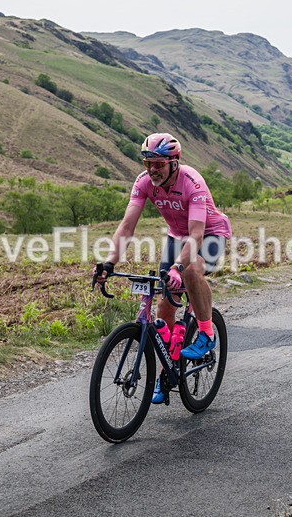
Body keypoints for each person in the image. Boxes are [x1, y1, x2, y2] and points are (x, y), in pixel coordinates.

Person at [94, 133, 232, 404]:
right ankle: (167, 371)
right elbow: (127, 226)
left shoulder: (192, 182)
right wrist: (109, 262)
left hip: (209, 233)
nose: (152, 170)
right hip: (176, 235)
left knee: (190, 271)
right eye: (148, 163)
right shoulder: (143, 182)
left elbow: (196, 235)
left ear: (174, 163)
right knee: (164, 305)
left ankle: (206, 332)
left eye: (159, 164)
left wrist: (178, 267)